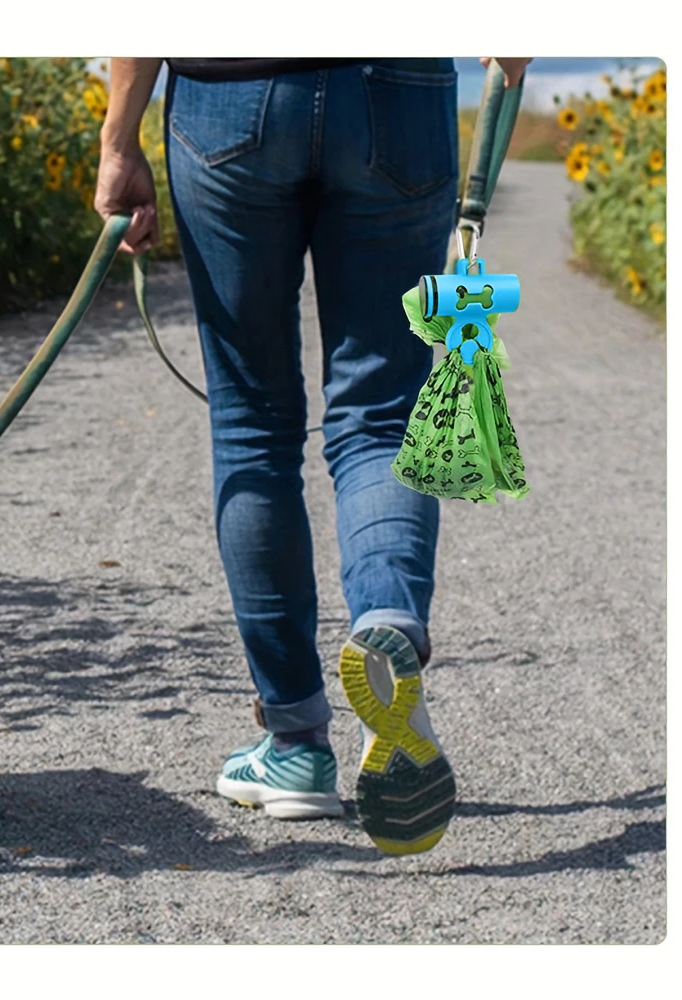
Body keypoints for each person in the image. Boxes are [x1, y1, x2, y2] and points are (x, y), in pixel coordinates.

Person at [95, 56, 530, 855]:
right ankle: (386, 618)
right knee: (382, 416)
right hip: (397, 91)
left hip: (229, 93)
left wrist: (119, 137)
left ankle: (295, 745)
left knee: (253, 424)